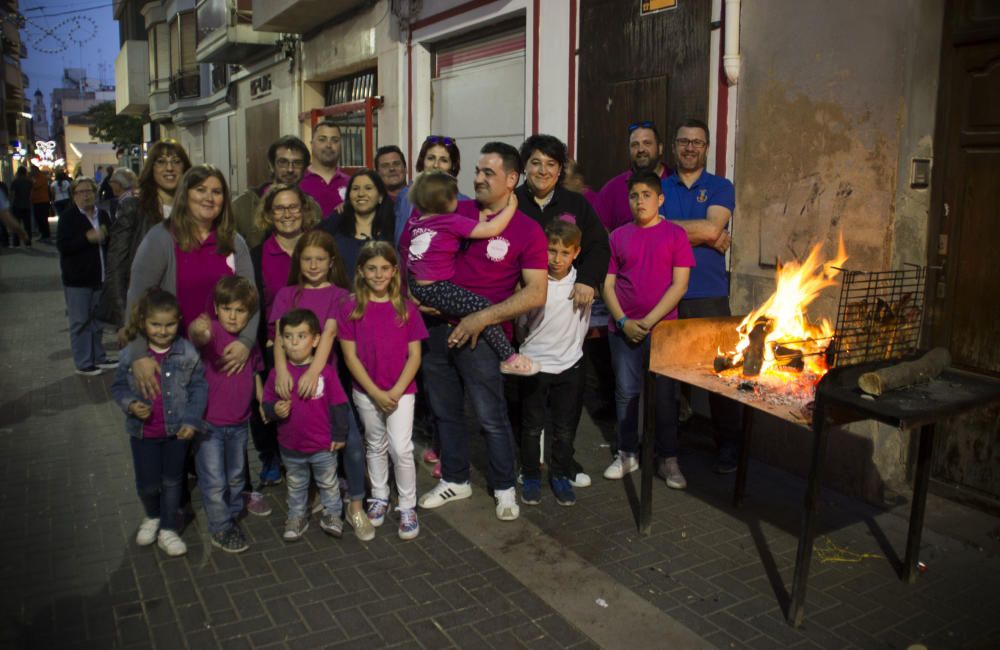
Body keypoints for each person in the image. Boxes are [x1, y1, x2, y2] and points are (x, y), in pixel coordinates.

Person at [401, 142, 548, 522]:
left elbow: (536, 292)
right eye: (478, 170)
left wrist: (480, 319)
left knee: (489, 416)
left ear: (512, 180)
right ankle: (455, 478)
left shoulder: (529, 230)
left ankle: (503, 487)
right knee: (445, 412)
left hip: (482, 338)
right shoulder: (453, 208)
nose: (477, 178)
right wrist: (415, 301)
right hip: (436, 330)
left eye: (488, 173)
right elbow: (410, 257)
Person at [267, 231, 374, 541]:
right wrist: (281, 370)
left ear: (331, 263)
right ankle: (308, 497)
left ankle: (355, 504)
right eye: (307, 259)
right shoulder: (287, 294)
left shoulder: (340, 294)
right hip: (292, 382)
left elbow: (327, 333)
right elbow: (277, 337)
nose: (313, 265)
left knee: (350, 442)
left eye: (320, 260)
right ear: (298, 262)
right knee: (297, 438)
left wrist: (313, 371)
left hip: (326, 382)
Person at [124, 164, 257, 402]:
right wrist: (137, 354)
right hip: (175, 359)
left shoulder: (234, 242)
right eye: (200, 189)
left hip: (223, 360)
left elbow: (252, 299)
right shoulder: (161, 238)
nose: (209, 197)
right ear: (185, 194)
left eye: (217, 192)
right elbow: (137, 298)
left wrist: (246, 343)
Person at [602, 170, 694, 487]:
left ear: (660, 199)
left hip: (663, 331)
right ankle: (628, 453)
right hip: (623, 331)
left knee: (666, 397)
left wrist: (650, 321)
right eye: (633, 196)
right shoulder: (617, 236)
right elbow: (608, 285)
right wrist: (624, 321)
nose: (639, 201)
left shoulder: (675, 236)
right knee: (626, 393)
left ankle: (668, 459)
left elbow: (679, 285)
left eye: (646, 195)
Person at [660, 118, 741, 474]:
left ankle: (729, 445)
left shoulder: (721, 186)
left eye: (697, 142)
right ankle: (668, 446)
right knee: (669, 376)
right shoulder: (660, 186)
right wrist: (706, 234)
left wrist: (671, 229)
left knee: (720, 374)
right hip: (666, 295)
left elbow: (713, 226)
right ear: (674, 146)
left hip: (709, 293)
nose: (690, 147)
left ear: (706, 148)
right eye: (684, 141)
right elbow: (652, 232)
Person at [405, 170, 537, 376]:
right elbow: (492, 228)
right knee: (482, 307)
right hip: (435, 288)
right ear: (447, 200)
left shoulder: (418, 222)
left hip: (416, 285)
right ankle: (509, 357)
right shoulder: (450, 221)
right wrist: (511, 208)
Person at [339, 241, 427, 540]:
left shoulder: (406, 307)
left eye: (385, 268)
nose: (378, 274)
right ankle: (379, 495)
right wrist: (374, 391)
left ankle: (407, 504)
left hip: (401, 391)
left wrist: (397, 389)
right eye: (372, 268)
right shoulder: (350, 307)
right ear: (361, 271)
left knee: (401, 448)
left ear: (394, 271)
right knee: (375, 443)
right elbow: (350, 356)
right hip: (366, 391)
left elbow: (415, 355)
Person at [111, 288, 208, 557]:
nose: (163, 331)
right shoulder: (131, 354)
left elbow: (199, 388)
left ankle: (168, 528)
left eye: (169, 324)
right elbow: (118, 387)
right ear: (143, 322)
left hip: (177, 433)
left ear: (179, 320)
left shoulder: (187, 352)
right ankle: (152, 515)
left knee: (172, 480)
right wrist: (130, 404)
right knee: (147, 483)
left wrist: (191, 419)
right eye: (155, 324)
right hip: (143, 433)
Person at [249, 184, 322, 487]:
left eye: (293, 207)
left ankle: (316, 456)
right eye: (279, 208)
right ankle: (270, 456)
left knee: (312, 404)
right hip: (272, 342)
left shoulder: (318, 249)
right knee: (269, 404)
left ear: (304, 211)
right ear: (268, 214)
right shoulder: (258, 255)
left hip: (316, 344)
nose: (287, 214)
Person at [187, 276, 265, 554]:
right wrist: (199, 329)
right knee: (213, 477)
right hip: (209, 425)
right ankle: (220, 525)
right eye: (227, 308)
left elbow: (255, 370)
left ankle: (231, 513)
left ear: (249, 313)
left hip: (239, 422)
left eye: (240, 310)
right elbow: (198, 337)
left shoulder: (248, 342)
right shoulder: (213, 333)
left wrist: (261, 399)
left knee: (235, 475)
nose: (233, 316)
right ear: (217, 309)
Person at [516, 220, 591, 506]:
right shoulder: (533, 282)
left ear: (576, 253)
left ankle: (560, 473)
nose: (556, 259)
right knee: (532, 425)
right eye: (551, 251)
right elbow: (522, 323)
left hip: (570, 366)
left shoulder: (582, 285)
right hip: (535, 365)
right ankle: (531, 473)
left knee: (564, 427)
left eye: (564, 252)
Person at [262, 308, 352, 542]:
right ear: (281, 341)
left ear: (315, 340)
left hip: (323, 446)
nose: (294, 343)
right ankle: (296, 516)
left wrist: (340, 435)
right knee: (296, 484)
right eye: (289, 337)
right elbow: (267, 404)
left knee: (328, 483)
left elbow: (339, 405)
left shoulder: (326, 373)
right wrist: (275, 411)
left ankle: (333, 514)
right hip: (291, 448)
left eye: (301, 336)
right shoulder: (277, 375)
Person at [98, 141, 192, 336]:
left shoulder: (194, 211)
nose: (169, 168)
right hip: (147, 315)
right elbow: (116, 265)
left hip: (188, 312)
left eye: (176, 161)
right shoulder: (134, 208)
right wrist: (125, 319)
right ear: (152, 169)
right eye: (161, 162)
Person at [56, 176, 116, 375]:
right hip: (78, 280)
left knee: (98, 321)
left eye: (89, 191)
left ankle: (99, 357)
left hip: (99, 277)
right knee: (80, 321)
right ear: (74, 195)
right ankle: (83, 362)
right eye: (81, 192)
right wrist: (86, 238)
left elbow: (111, 242)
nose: (86, 196)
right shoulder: (68, 217)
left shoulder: (103, 215)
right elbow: (64, 247)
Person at [233, 135, 313, 248]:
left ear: (305, 169)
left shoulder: (312, 207)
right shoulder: (243, 206)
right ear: (271, 165)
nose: (290, 169)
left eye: (297, 163)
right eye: (283, 162)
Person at [594, 120, 673, 232]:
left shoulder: (675, 181)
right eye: (635, 145)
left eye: (647, 143)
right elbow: (597, 233)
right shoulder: (613, 189)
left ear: (660, 148)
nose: (641, 149)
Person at [317, 169, 395, 276]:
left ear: (380, 197)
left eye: (368, 188)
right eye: (355, 189)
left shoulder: (393, 229)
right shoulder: (335, 226)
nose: (361, 194)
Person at [393, 135, 466, 245]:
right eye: (431, 158)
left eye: (444, 160)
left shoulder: (463, 203)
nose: (436, 165)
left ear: (453, 166)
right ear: (422, 161)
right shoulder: (405, 196)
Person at [300, 119, 350, 218]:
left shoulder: (352, 183)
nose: (328, 145)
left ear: (340, 145)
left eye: (335, 140)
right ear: (312, 144)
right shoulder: (298, 181)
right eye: (322, 139)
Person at [10, 166, 34, 247]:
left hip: (17, 205)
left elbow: (12, 194)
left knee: (16, 224)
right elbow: (31, 194)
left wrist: (11, 203)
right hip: (27, 205)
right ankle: (28, 241)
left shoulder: (15, 181)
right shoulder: (29, 182)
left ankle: (16, 242)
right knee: (27, 225)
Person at [30, 166, 52, 242]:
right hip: (37, 201)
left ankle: (46, 234)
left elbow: (36, 186)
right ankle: (44, 234)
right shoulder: (37, 177)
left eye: (32, 171)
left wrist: (32, 180)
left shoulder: (41, 177)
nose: (31, 172)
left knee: (42, 219)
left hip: (42, 201)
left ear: (36, 171)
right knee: (39, 218)